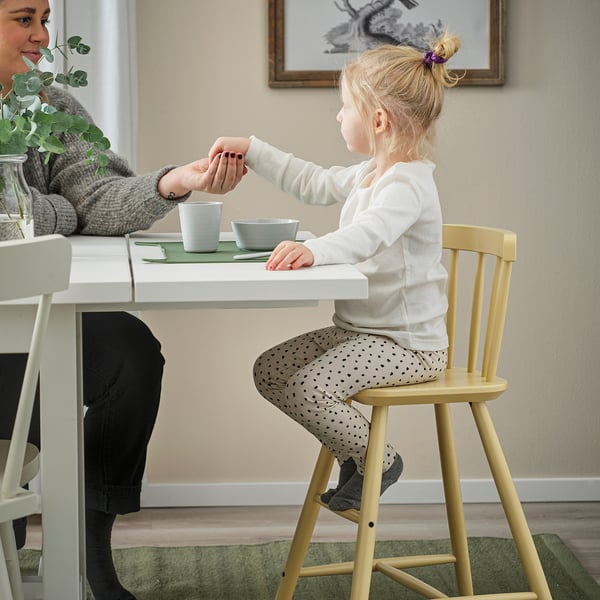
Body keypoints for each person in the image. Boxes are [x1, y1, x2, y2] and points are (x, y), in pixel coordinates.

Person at [0, 1, 245, 599]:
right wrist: (57, 211)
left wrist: (171, 183)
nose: (41, 34)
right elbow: (31, 216)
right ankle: (10, 526)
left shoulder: (49, 104)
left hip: (31, 320)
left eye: (45, 18)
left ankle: (87, 542)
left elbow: (94, 192)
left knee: (128, 355)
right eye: (22, 18)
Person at [209, 32, 460, 512]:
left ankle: (379, 460)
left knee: (307, 386)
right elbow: (315, 182)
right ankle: (356, 452)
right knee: (270, 371)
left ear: (379, 120)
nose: (338, 116)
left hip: (409, 347)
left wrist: (315, 251)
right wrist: (254, 150)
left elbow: (370, 233)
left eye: (345, 107)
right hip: (360, 333)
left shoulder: (407, 185)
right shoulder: (371, 172)